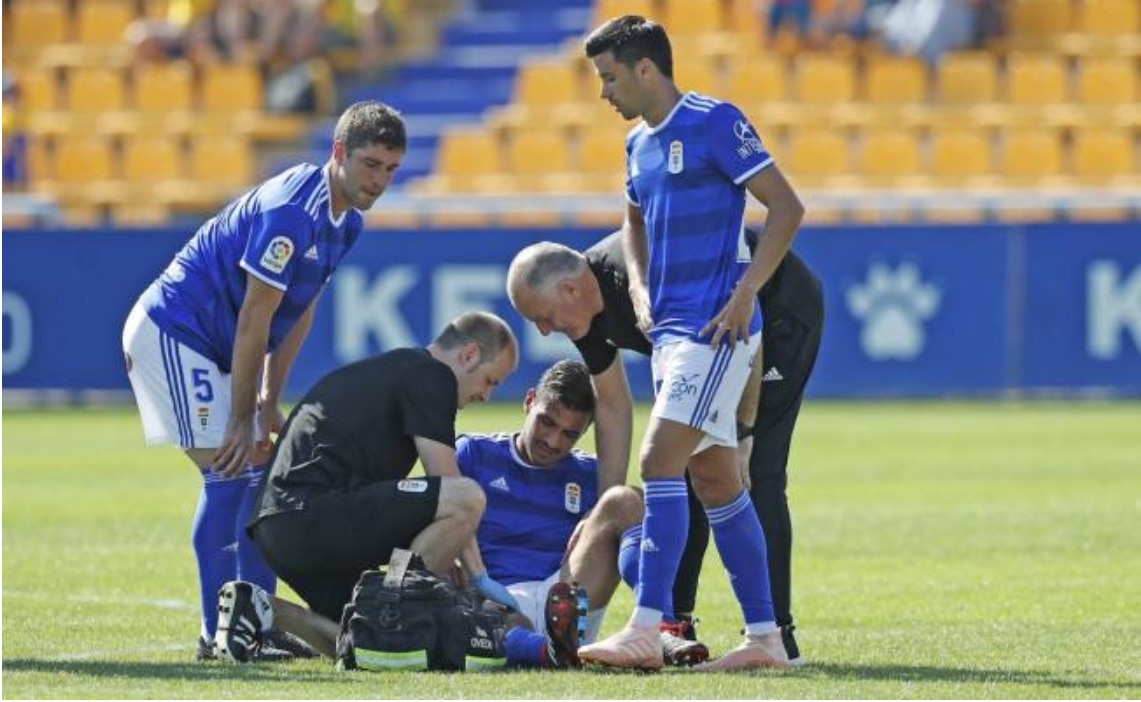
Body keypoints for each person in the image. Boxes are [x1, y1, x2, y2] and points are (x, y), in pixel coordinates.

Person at [527, 14, 805, 671]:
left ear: (645, 68)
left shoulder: (713, 121)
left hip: (715, 327)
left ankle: (648, 626)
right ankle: (765, 640)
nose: (603, 91)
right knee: (716, 480)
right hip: (674, 332)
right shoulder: (637, 146)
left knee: (658, 462)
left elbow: (786, 207)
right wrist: (643, 289)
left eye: (609, 76)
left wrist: (745, 295)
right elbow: (631, 217)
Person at [121, 99, 406, 661]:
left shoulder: (345, 220)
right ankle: (218, 634)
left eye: (392, 169)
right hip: (174, 334)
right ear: (340, 152)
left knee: (260, 475)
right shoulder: (292, 214)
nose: (380, 181)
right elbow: (255, 315)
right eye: (372, 164)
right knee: (234, 471)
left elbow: (299, 309)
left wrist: (269, 400)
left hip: (216, 346)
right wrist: (239, 414)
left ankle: (252, 622)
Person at [508, 230, 823, 666]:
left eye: (542, 317)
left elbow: (746, 326)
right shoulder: (582, 309)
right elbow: (614, 407)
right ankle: (674, 628)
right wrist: (605, 508)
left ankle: (777, 638)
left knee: (754, 477)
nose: (545, 331)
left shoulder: (650, 277)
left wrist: (744, 432)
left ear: (569, 289)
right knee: (681, 468)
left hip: (774, 314)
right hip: (713, 343)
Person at [212, 311, 519, 662]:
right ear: (469, 355)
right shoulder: (431, 374)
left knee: (367, 645)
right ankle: (398, 612)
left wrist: (448, 543)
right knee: (468, 496)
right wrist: (480, 578)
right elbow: (451, 486)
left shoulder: (397, 368)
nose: (488, 395)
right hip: (311, 513)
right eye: (491, 381)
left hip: (279, 527)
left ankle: (261, 608)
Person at [455, 358, 709, 669]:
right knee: (497, 617)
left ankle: (664, 627)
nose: (553, 441)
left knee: (625, 499)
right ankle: (552, 652)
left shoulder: (589, 474)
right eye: (547, 422)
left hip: (565, 597)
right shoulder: (474, 454)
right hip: (495, 597)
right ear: (530, 401)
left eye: (569, 434)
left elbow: (638, 517)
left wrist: (598, 515)